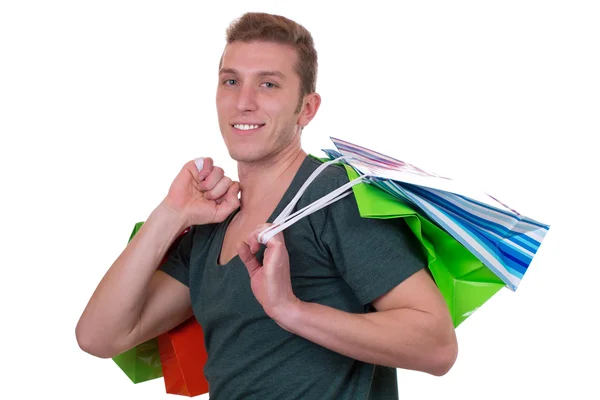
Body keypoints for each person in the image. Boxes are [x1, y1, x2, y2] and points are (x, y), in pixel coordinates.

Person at [76, 12, 458, 399]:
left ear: (306, 109)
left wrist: (291, 310)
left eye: (268, 84)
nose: (244, 102)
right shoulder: (213, 226)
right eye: (231, 81)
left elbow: (437, 346)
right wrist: (171, 214)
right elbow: (99, 337)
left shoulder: (333, 196)